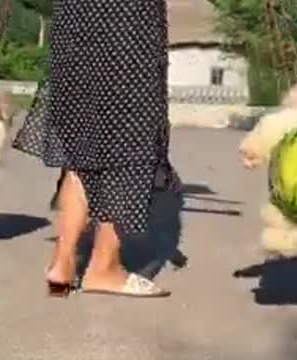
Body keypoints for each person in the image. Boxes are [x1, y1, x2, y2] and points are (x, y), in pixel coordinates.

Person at [12, 0, 179, 298]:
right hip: (128, 20)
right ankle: (104, 268)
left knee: (83, 137)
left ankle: (62, 263)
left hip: (78, 15)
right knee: (132, 142)